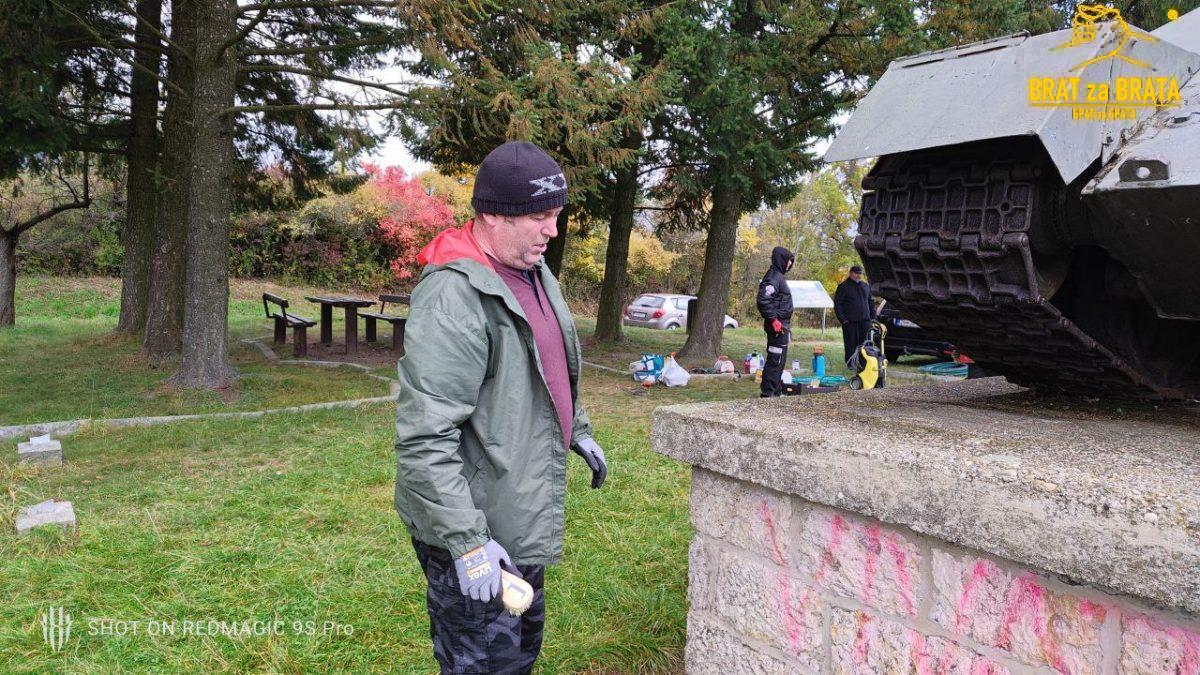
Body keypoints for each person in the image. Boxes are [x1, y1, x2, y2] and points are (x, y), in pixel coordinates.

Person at [394, 140, 608, 674]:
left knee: (517, 654)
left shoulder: (533, 271)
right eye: (540, 217)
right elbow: (424, 438)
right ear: (493, 213)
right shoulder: (454, 296)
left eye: (556, 215)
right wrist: (468, 544)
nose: (552, 231)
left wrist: (577, 428)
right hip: (473, 522)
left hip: (517, 507)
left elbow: (545, 365)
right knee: (483, 663)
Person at [755, 246, 795, 397]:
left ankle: (776, 392)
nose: (790, 264)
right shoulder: (773, 277)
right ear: (780, 260)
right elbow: (763, 300)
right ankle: (768, 394)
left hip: (782, 326)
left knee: (779, 361)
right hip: (777, 326)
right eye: (788, 260)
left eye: (791, 261)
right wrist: (774, 320)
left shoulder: (779, 276)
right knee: (775, 360)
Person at [834, 264, 876, 368]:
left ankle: (863, 364)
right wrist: (843, 319)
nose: (859, 276)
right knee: (850, 343)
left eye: (860, 274)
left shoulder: (865, 286)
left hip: (865, 321)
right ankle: (851, 364)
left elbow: (870, 302)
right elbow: (838, 304)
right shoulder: (843, 286)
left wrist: (873, 317)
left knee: (864, 344)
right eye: (856, 273)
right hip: (850, 321)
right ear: (851, 273)